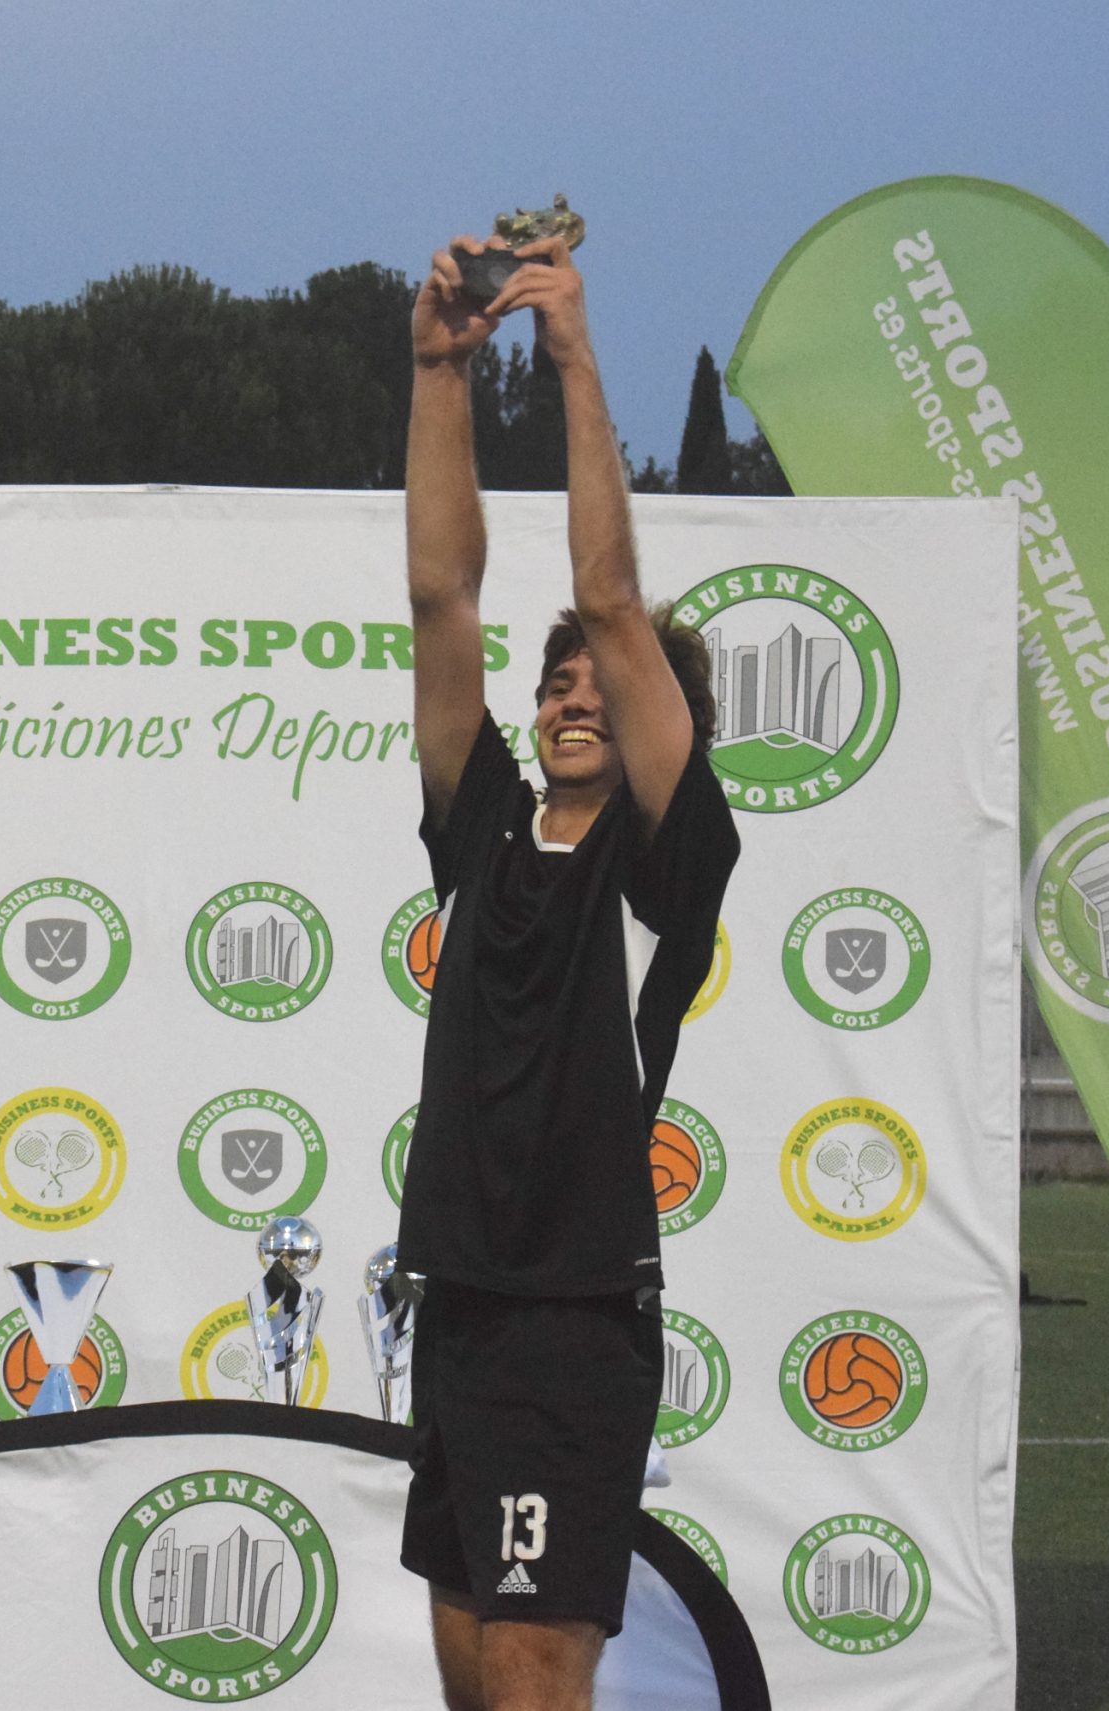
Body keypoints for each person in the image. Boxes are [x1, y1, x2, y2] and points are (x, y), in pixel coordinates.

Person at [395, 229, 741, 1711]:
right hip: (461, 1305)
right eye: (556, 684)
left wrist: (574, 354)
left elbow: (608, 598)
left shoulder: (668, 858)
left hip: (574, 1319)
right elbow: (442, 599)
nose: (574, 692)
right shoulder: (484, 825)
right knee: (474, 1675)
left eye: (601, 683)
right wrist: (439, 374)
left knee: (538, 1672)